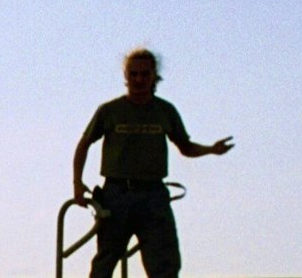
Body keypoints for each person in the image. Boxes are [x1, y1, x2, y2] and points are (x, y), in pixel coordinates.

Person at [72, 47, 233, 278]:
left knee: (165, 265)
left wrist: (211, 150)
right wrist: (77, 183)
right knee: (105, 262)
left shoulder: (165, 111)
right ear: (126, 77)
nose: (139, 80)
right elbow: (83, 144)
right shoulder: (110, 111)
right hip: (117, 194)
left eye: (144, 74)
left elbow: (185, 147)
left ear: (154, 76)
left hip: (153, 196)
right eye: (133, 74)